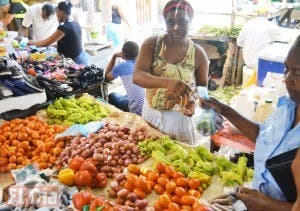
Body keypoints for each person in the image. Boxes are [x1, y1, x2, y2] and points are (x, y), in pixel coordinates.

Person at [204, 35, 300, 210]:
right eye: (286, 69)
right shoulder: (288, 107)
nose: (287, 79)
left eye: (298, 73)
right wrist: (224, 109)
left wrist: (266, 203)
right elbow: (262, 135)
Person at [133, 0, 209, 145]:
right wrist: (168, 83)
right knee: (150, 157)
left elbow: (202, 87)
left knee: (180, 162)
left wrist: (194, 100)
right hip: (151, 114)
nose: (176, 27)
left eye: (182, 22)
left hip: (179, 120)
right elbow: (137, 76)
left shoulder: (198, 54)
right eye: (170, 22)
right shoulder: (152, 44)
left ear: (190, 21)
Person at [28, 1, 89, 66]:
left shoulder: (64, 28)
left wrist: (32, 42)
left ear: (61, 12)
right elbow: (69, 44)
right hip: (82, 57)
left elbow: (46, 42)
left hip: (75, 61)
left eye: (57, 12)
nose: (56, 15)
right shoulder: (74, 23)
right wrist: (50, 47)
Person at [105, 41, 144, 115]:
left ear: (123, 54)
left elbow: (106, 77)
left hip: (136, 111)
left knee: (112, 95)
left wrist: (114, 56)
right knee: (127, 94)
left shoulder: (121, 66)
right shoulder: (143, 64)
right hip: (147, 109)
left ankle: (125, 112)